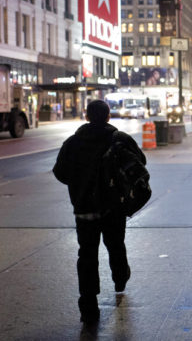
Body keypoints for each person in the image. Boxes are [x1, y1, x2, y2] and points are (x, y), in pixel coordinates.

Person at [53, 100, 145, 325]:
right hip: (113, 207)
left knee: (86, 254)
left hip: (84, 209)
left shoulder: (72, 142)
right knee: (116, 245)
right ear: (108, 116)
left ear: (86, 116)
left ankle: (88, 304)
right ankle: (120, 278)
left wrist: (80, 185)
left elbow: (60, 172)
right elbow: (140, 162)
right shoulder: (120, 139)